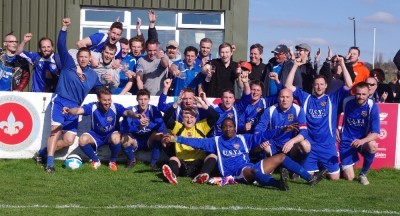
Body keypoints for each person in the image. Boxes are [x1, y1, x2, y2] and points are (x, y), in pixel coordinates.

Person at [40, 18, 103, 174]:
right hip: (60, 101)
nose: (82, 59)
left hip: (75, 108)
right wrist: (64, 28)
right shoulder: (69, 64)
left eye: (85, 57)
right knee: (56, 130)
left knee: (68, 140)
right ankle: (49, 164)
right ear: (78, 58)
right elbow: (61, 46)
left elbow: (101, 91)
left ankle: (42, 153)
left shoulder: (93, 76)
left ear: (90, 59)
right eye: (80, 56)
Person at [285, 55, 352, 180]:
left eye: (321, 84)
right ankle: (300, 166)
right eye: (316, 85)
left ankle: (322, 168)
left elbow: (349, 85)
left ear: (326, 86)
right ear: (313, 86)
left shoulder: (332, 99)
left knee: (335, 178)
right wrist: (295, 66)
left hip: (328, 146)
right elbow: (288, 85)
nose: (319, 87)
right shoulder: (306, 98)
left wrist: (342, 64)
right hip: (311, 145)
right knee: (307, 175)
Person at [254, 88, 328, 183]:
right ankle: (272, 167)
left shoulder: (298, 110)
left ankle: (295, 172)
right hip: (274, 145)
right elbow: (258, 130)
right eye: (282, 97)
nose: (284, 100)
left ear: (292, 98)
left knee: (306, 145)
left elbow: (304, 132)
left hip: (290, 147)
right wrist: (263, 141)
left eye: (287, 97)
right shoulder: (270, 110)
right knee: (264, 146)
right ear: (278, 98)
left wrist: (291, 141)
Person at [62, 87, 139, 171]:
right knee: (82, 140)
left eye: (109, 100)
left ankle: (112, 161)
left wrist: (135, 115)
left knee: (116, 137)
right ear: (99, 99)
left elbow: (127, 112)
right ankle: (96, 160)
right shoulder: (92, 106)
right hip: (96, 135)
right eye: (104, 100)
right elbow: (78, 111)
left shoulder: (115, 107)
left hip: (111, 135)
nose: (107, 103)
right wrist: (69, 110)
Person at [162, 93, 219, 184]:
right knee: (173, 159)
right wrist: (176, 104)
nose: (189, 120)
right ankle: (172, 176)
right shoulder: (178, 127)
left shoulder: (201, 126)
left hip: (198, 164)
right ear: (182, 118)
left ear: (196, 118)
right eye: (186, 117)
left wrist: (204, 106)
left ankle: (202, 175)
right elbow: (166, 118)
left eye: (192, 117)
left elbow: (216, 116)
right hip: (183, 164)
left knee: (212, 156)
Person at [339, 82, 380, 185]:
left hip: (362, 141)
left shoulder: (372, 106)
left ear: (368, 94)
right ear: (354, 93)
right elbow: (336, 112)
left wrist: (362, 141)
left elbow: (375, 133)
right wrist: (336, 127)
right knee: (350, 178)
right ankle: (339, 167)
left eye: (363, 94)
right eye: (358, 94)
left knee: (373, 145)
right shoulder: (346, 102)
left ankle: (363, 174)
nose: (361, 97)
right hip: (346, 141)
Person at [120, 89, 165, 170]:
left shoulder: (153, 110)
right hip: (136, 140)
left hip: (149, 139)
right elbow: (123, 128)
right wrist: (138, 127)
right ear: (137, 99)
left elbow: (161, 126)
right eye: (140, 99)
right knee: (124, 137)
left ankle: (153, 163)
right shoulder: (132, 110)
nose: (143, 102)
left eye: (145, 99)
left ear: (149, 99)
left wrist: (149, 125)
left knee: (159, 135)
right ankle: (132, 160)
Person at [210, 72, 251, 137]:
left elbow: (247, 97)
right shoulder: (214, 109)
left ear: (234, 99)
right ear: (221, 99)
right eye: (225, 97)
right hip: (216, 140)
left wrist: (246, 83)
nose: (228, 100)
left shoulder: (237, 108)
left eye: (230, 98)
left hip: (231, 141)